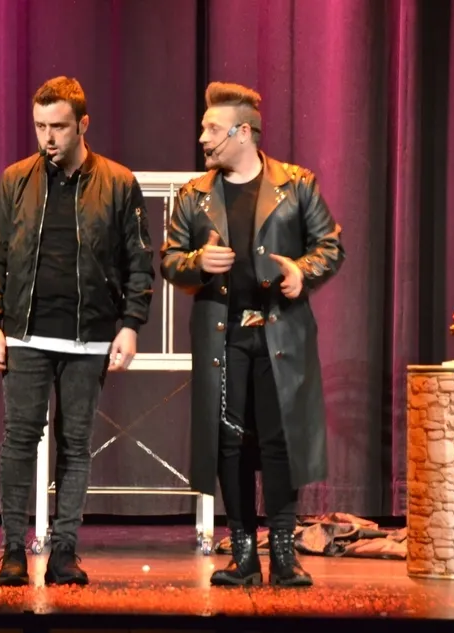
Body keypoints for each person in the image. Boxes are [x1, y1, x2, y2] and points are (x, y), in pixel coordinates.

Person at [160, 81, 345, 587]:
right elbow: (171, 259)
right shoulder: (195, 196)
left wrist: (302, 271)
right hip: (224, 338)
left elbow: (330, 245)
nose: (202, 137)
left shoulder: (296, 184)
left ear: (243, 133)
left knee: (280, 438)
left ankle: (283, 551)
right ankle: (243, 551)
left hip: (280, 334)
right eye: (204, 128)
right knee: (229, 440)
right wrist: (199, 262)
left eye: (212, 129)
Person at [0, 76, 154, 587]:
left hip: (89, 336)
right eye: (40, 126)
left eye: (57, 126)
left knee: (76, 444)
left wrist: (130, 325)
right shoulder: (17, 179)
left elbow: (139, 260)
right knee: (19, 440)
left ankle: (65, 552)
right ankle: (13, 550)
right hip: (25, 334)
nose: (48, 137)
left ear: (82, 124)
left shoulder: (117, 182)